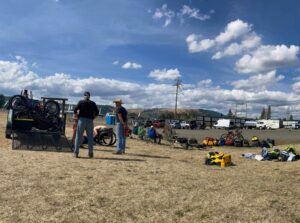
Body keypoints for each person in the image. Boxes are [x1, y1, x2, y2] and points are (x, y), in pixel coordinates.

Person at [73, 91, 99, 158]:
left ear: (84, 96)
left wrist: (77, 116)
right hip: (90, 120)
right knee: (90, 137)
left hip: (82, 120)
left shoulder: (81, 102)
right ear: (89, 96)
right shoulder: (93, 103)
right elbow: (97, 112)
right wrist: (93, 118)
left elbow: (75, 110)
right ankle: (90, 153)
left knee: (78, 136)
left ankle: (76, 153)